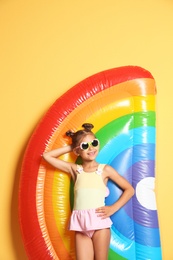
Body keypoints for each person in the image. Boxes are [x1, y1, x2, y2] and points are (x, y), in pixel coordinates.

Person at [43, 123, 134, 260]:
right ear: (77, 151)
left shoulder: (104, 170)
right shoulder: (75, 170)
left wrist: (112, 208)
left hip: (100, 225)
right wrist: (71, 146)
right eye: (85, 146)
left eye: (94, 143)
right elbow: (47, 156)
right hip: (81, 226)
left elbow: (130, 190)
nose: (91, 148)